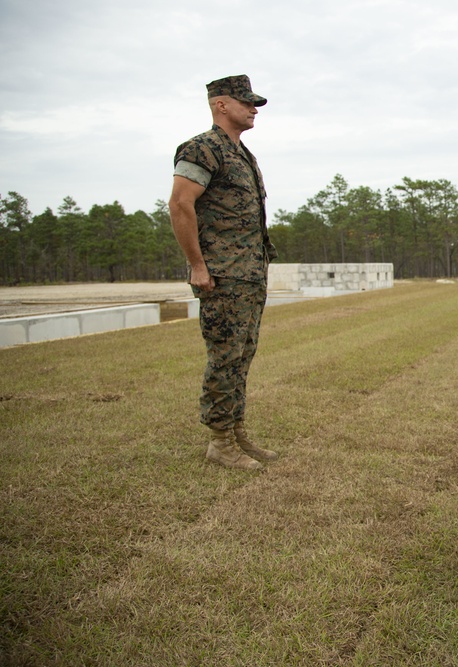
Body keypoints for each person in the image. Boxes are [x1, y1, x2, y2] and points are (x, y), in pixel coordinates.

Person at [168, 74, 278, 470]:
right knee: (224, 356)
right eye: (246, 102)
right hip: (221, 274)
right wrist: (198, 265)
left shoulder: (242, 154)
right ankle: (219, 442)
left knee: (242, 354)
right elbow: (181, 205)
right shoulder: (202, 148)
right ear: (221, 105)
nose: (253, 109)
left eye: (255, 104)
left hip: (248, 274)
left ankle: (235, 432)